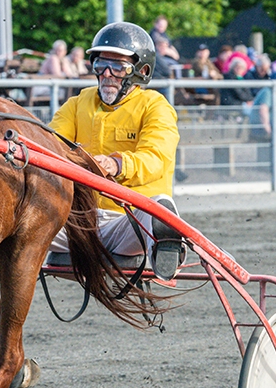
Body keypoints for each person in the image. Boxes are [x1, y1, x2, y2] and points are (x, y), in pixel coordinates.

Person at [46, 22, 183, 280]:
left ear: (141, 71)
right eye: (100, 65)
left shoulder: (155, 106)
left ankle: (165, 244)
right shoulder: (77, 103)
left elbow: (157, 158)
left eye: (118, 67)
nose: (106, 73)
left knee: (155, 209)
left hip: (126, 221)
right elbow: (51, 144)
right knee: (25, 214)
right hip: (76, 223)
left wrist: (116, 165)